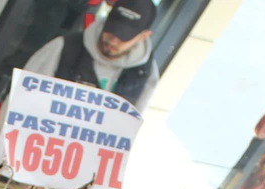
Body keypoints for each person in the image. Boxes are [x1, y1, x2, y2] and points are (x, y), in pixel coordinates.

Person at [23, 0, 162, 113]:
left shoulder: (145, 73)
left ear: (143, 36)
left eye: (124, 36)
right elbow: (22, 99)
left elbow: (130, 127)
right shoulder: (64, 47)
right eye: (111, 30)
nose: (113, 41)